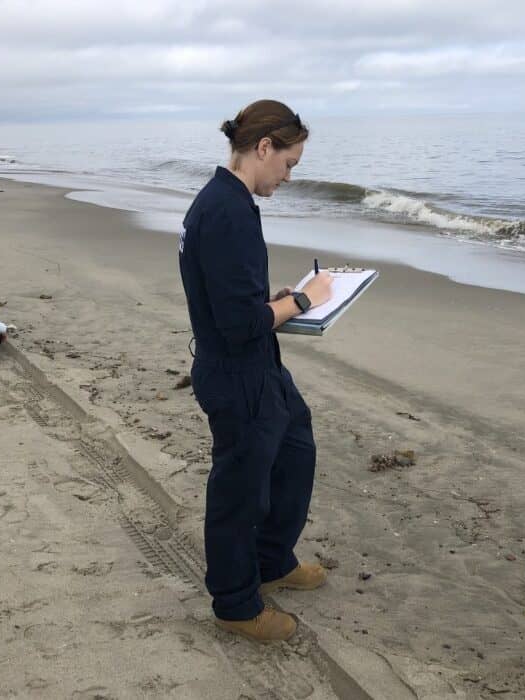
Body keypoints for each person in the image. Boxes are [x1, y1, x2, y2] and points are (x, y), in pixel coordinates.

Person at [178, 100, 334, 642]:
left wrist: (276, 301)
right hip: (235, 373)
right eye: (288, 164)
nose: (288, 177)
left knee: (295, 450)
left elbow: (235, 301)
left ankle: (272, 561)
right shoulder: (226, 210)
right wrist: (305, 300)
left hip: (258, 366)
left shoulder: (229, 202)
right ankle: (236, 605)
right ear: (263, 147)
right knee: (240, 493)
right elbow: (241, 324)